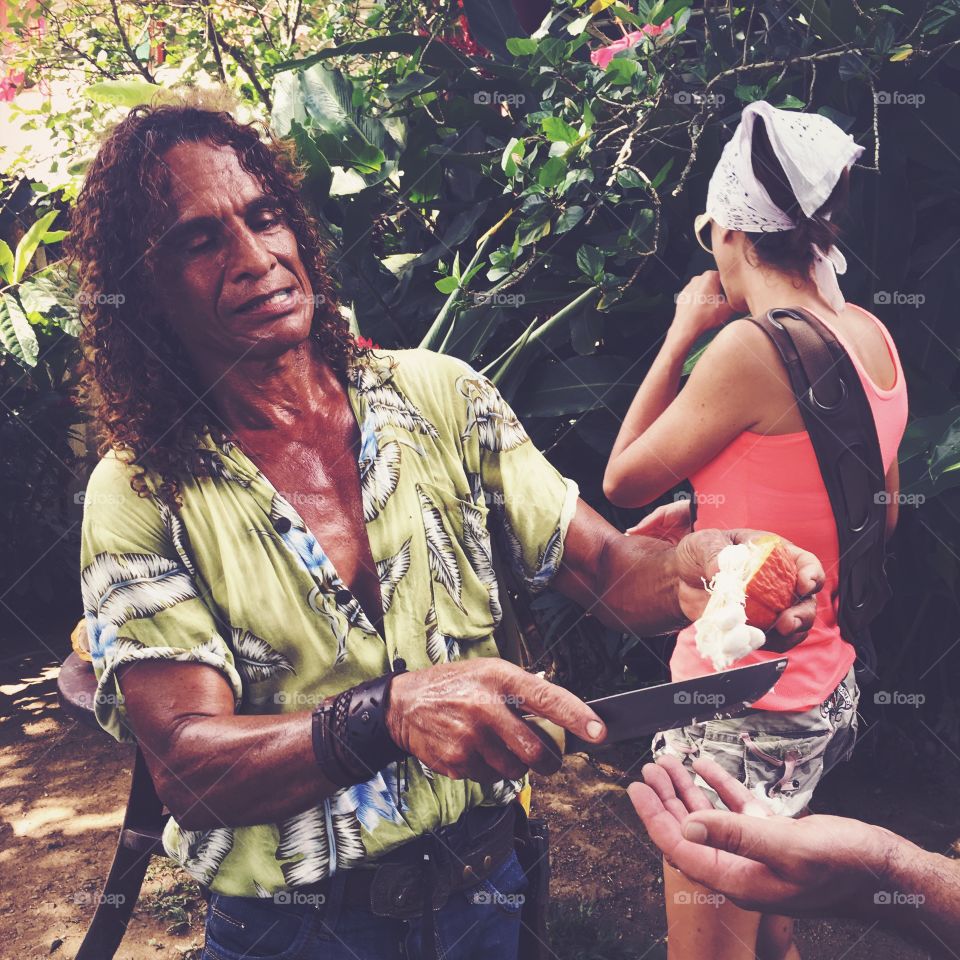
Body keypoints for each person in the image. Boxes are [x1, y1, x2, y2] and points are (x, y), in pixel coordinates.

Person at [67, 91, 821, 960]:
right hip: (293, 933)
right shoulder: (141, 490)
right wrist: (382, 715)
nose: (255, 257)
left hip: (484, 897)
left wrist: (695, 575)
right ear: (146, 289)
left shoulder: (442, 397)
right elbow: (191, 772)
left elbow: (608, 569)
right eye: (200, 241)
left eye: (265, 218)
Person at [603, 101, 908, 960]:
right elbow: (872, 515)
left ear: (734, 230)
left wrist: (678, 335)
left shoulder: (750, 347)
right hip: (823, 690)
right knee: (769, 935)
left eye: (711, 234)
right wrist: (717, 520)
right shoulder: (872, 335)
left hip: (740, 708)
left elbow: (622, 477)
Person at [629, 756, 960, 958]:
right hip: (805, 718)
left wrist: (882, 869)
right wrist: (884, 868)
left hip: (750, 728)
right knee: (775, 943)